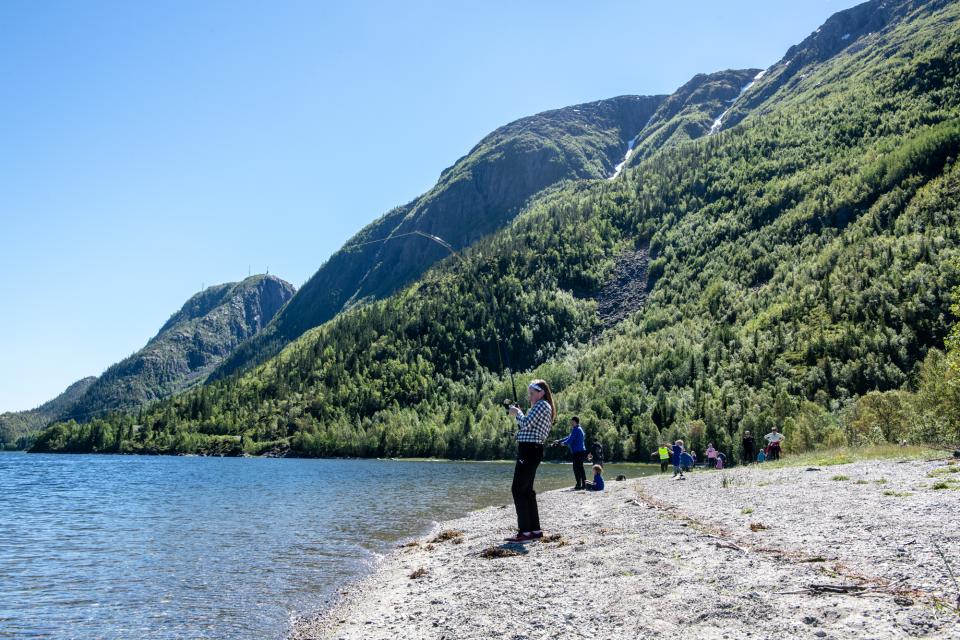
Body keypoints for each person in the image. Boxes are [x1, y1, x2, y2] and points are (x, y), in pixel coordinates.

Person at [506, 379, 556, 543]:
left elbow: (525, 422)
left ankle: (525, 531)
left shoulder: (541, 405)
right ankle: (534, 529)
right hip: (533, 450)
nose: (529, 397)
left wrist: (516, 413)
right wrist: (521, 414)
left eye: (532, 394)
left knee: (517, 489)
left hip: (528, 450)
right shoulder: (543, 406)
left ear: (541, 393)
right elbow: (528, 426)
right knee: (527, 490)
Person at [555, 416, 587, 490]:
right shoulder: (578, 429)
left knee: (576, 468)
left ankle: (579, 485)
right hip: (581, 452)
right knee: (580, 468)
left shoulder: (576, 430)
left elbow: (570, 440)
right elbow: (569, 437)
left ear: (576, 422)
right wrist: (559, 441)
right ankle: (584, 484)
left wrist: (563, 444)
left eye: (572, 422)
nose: (571, 423)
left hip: (578, 452)